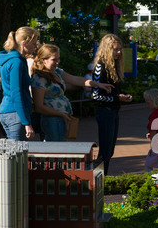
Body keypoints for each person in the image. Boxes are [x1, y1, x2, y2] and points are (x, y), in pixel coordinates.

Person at [31, 44, 113, 142]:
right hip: (52, 119)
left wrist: (98, 84)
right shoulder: (39, 78)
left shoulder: (55, 71)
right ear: (43, 60)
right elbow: (38, 106)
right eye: (54, 59)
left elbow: (76, 79)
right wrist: (60, 114)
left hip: (61, 117)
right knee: (54, 150)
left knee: (60, 148)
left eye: (58, 59)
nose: (58, 62)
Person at [92, 34, 133, 175]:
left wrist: (120, 97)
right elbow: (95, 95)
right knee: (104, 151)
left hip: (113, 111)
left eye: (120, 49)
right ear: (107, 49)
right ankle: (98, 181)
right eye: (116, 50)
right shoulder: (100, 67)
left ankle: (102, 179)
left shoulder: (114, 65)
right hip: (105, 112)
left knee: (109, 151)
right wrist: (117, 98)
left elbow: (113, 93)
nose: (119, 52)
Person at [0, 26, 39, 140]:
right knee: (18, 154)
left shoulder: (7, 58)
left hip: (6, 111)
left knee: (14, 152)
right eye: (34, 43)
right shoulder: (17, 62)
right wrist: (27, 123)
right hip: (15, 113)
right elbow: (16, 92)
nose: (36, 46)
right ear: (24, 44)